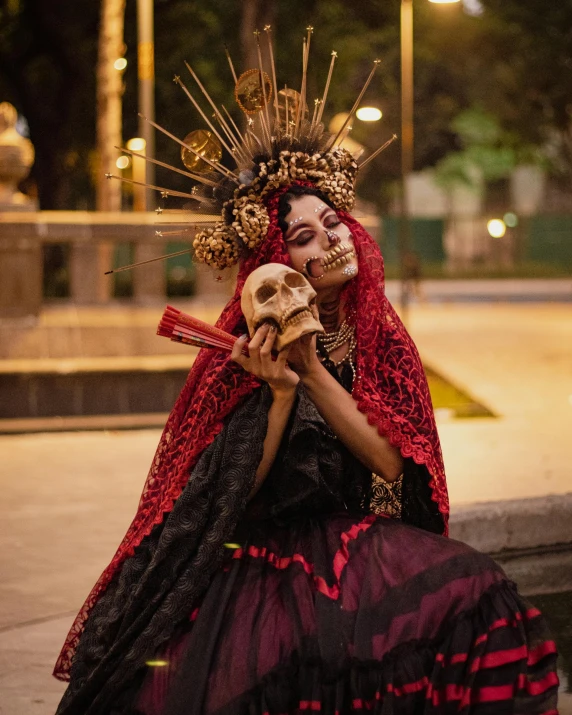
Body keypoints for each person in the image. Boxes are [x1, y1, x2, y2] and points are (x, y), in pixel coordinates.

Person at [54, 39, 559, 715]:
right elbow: (226, 497)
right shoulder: (241, 347)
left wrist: (313, 370)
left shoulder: (378, 336)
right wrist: (280, 390)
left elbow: (390, 462)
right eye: (305, 237)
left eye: (333, 221)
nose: (333, 238)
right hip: (260, 562)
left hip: (359, 543)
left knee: (481, 594)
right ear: (272, 260)